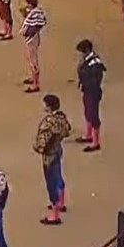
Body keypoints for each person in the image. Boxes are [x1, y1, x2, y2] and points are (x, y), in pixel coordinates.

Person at [34, 94, 72, 225]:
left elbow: (42, 141)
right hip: (57, 149)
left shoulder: (49, 122)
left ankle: (54, 215)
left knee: (51, 182)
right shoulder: (61, 118)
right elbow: (67, 130)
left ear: (49, 107)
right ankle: (61, 202)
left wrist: (38, 148)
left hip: (49, 154)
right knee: (58, 177)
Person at [75, 39, 106, 152]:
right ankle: (89, 135)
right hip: (87, 90)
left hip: (92, 91)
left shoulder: (95, 63)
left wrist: (87, 85)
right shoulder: (88, 60)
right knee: (88, 112)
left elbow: (96, 79)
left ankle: (95, 142)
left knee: (93, 115)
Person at [20, 0, 47, 92]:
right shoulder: (36, 12)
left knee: (33, 61)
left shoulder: (35, 13)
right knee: (30, 59)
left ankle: (35, 84)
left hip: (32, 38)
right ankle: (33, 78)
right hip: (33, 38)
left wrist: (29, 33)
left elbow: (34, 25)